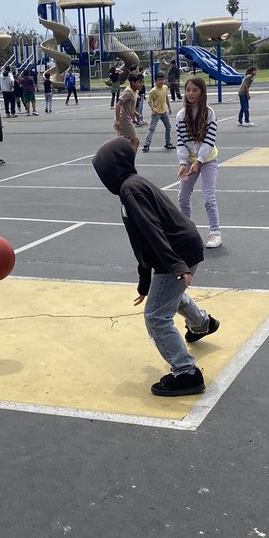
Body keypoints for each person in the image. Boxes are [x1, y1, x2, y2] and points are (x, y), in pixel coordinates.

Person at [92, 136, 218, 398]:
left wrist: (176, 265)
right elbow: (141, 243)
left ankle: (186, 373)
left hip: (176, 252)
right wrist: (145, 282)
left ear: (112, 170)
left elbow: (152, 230)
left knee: (156, 316)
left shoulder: (131, 189)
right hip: (180, 249)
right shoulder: (132, 186)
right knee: (168, 295)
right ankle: (202, 323)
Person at [177, 75, 221, 249]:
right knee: (182, 197)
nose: (190, 93)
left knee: (209, 198)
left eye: (195, 90)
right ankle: (186, 232)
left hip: (208, 159)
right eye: (188, 90)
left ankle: (215, 232)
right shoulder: (181, 115)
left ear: (202, 92)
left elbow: (209, 141)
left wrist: (200, 161)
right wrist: (182, 163)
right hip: (189, 159)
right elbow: (181, 141)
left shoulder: (209, 113)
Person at [142, 71, 174, 152]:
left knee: (168, 127)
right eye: (159, 80)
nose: (161, 81)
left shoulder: (165, 87)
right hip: (156, 113)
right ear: (156, 81)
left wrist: (169, 107)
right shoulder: (153, 91)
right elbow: (149, 101)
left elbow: (166, 97)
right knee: (152, 128)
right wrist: (153, 108)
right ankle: (146, 144)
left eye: (163, 80)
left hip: (163, 111)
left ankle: (168, 143)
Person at [114, 70, 141, 154]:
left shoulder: (135, 91)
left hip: (127, 118)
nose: (142, 84)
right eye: (140, 82)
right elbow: (118, 104)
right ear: (133, 82)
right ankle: (129, 161)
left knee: (123, 142)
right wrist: (118, 120)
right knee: (135, 141)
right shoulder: (128, 92)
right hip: (124, 119)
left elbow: (128, 105)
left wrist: (135, 113)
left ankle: (121, 160)